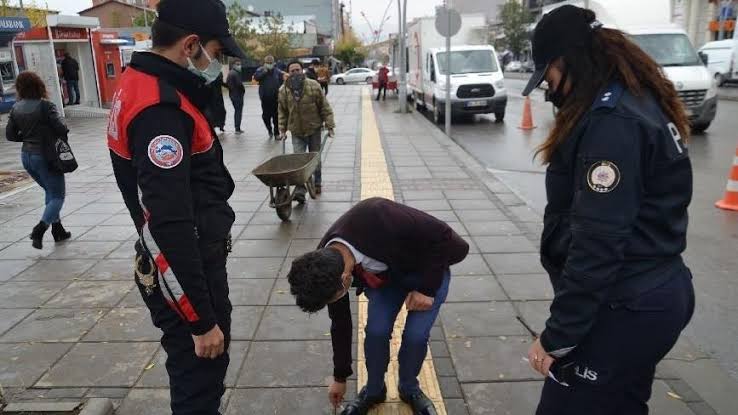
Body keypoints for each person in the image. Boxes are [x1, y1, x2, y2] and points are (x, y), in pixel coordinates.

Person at [520, 6, 695, 414]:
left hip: (627, 304)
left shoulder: (611, 123)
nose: (548, 90)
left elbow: (597, 242)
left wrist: (556, 336)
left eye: (549, 76)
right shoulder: (634, 100)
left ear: (569, 61)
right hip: (651, 293)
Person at [106, 0, 246, 413]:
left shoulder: (142, 82)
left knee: (196, 381)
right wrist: (200, 320)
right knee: (199, 384)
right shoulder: (161, 111)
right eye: (216, 53)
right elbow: (168, 223)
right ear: (190, 45)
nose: (215, 64)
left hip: (183, 262)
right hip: (186, 267)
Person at [287, 198, 469, 415]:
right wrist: (340, 378)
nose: (333, 303)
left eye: (333, 298)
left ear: (345, 279)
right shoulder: (324, 265)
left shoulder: (379, 215)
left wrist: (427, 290)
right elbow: (341, 323)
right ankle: (374, 390)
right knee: (376, 331)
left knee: (416, 336)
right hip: (388, 278)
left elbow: (442, 236)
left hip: (427, 271)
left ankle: (409, 388)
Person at [5, 71, 71, 250]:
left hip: (27, 156)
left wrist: (27, 137)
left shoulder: (15, 108)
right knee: (57, 196)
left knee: (50, 191)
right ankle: (40, 229)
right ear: (39, 85)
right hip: (46, 157)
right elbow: (60, 128)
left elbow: (10, 135)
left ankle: (58, 230)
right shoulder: (46, 106)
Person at [278, 60, 335, 199]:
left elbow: (324, 107)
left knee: (315, 159)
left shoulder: (313, 85)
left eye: (297, 70)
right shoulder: (284, 90)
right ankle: (300, 190)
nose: (295, 73)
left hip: (314, 128)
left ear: (302, 70)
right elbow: (282, 111)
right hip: (296, 131)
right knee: (299, 161)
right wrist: (282, 129)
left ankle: (317, 183)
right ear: (288, 73)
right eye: (292, 71)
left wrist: (330, 125)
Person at [254, 55, 284, 139]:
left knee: (276, 116)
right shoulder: (260, 70)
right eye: (268, 63)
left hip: (276, 97)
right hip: (265, 97)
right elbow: (256, 78)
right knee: (266, 116)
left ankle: (276, 133)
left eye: (271, 63)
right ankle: (269, 129)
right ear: (265, 63)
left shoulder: (277, 71)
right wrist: (264, 72)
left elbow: (281, 82)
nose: (269, 64)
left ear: (274, 63)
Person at [225, 60, 245, 134]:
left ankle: (237, 128)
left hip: (232, 95)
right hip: (237, 95)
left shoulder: (230, 73)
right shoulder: (235, 74)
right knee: (238, 112)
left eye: (240, 64)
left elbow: (227, 84)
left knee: (237, 111)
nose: (239, 65)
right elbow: (239, 84)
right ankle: (237, 128)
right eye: (238, 64)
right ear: (233, 65)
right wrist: (243, 90)